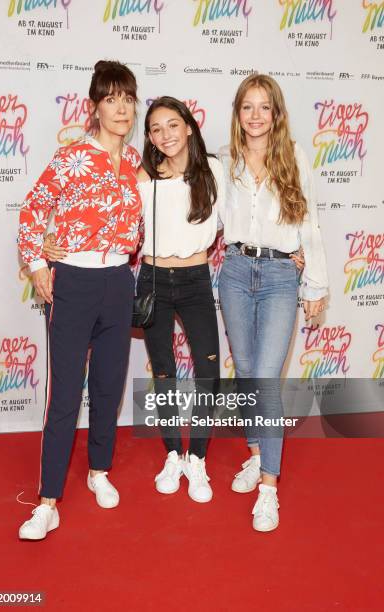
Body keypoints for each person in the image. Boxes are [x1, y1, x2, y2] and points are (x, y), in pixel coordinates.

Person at [17, 60, 142, 540]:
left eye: (127, 98)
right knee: (65, 393)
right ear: (94, 107)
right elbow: (32, 210)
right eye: (111, 99)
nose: (121, 108)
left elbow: (141, 223)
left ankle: (99, 471)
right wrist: (37, 263)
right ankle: (48, 501)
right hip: (73, 283)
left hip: (118, 283)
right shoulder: (71, 156)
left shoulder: (135, 163)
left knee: (109, 388)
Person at [218, 74, 328, 531]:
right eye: (248, 106)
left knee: (264, 379)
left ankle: (268, 487)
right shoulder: (225, 160)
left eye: (265, 106)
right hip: (236, 273)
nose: (256, 115)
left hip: (283, 274)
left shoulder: (294, 156)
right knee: (245, 371)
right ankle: (257, 452)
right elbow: (204, 213)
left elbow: (310, 221)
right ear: (238, 113)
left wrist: (315, 285)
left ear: (276, 113)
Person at [137, 97, 225, 503]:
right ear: (150, 137)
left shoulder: (214, 171)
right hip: (153, 278)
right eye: (156, 129)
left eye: (173, 125)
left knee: (209, 373)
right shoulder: (142, 176)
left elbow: (242, 223)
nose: (165, 135)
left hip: (195, 279)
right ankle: (173, 453)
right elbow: (108, 221)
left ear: (189, 127)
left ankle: (198, 458)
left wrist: (292, 250)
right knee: (164, 372)